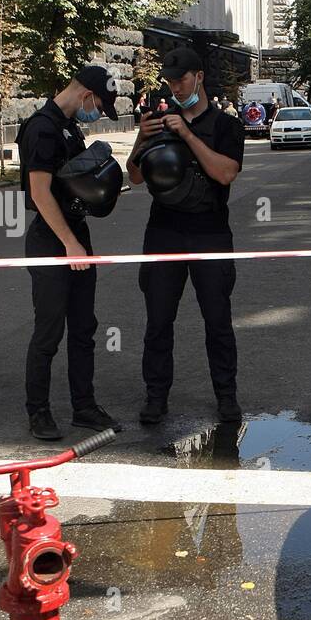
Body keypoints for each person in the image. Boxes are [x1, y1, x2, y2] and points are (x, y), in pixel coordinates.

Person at [127, 47, 245, 424]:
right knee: (158, 320)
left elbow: (225, 173)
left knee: (217, 319)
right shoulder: (161, 121)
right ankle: (155, 397)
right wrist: (140, 141)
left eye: (182, 79)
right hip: (164, 231)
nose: (176, 87)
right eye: (171, 81)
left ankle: (226, 396)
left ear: (199, 77)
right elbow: (135, 176)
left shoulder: (227, 126)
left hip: (209, 231)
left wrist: (189, 136)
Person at [16, 65, 122, 440]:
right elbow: (40, 194)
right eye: (99, 104)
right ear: (86, 94)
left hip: (74, 234)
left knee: (83, 327)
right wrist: (70, 244)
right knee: (48, 330)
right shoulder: (42, 128)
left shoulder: (69, 125)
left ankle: (84, 406)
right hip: (52, 240)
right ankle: (39, 412)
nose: (98, 111)